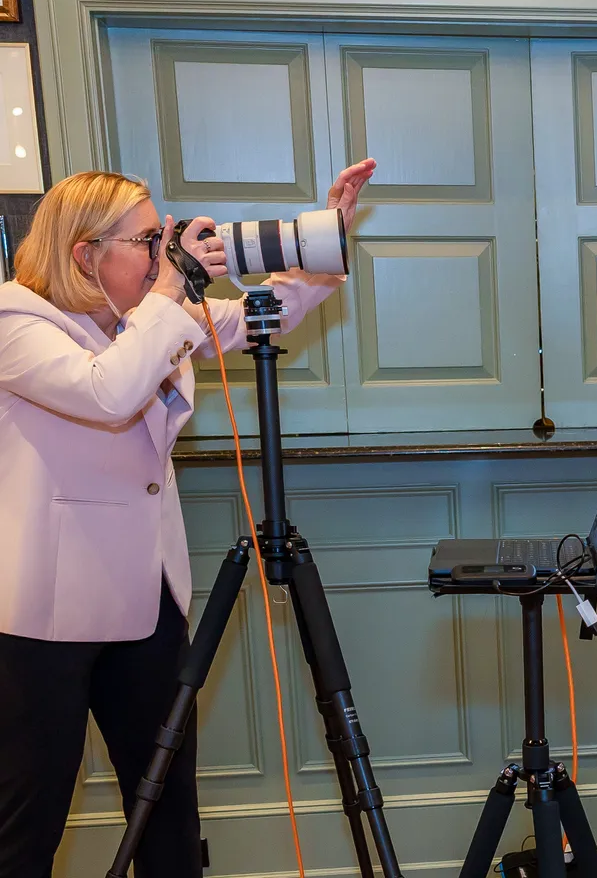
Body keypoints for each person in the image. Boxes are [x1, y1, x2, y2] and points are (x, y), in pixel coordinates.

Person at [0, 157, 376, 878]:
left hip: (148, 599)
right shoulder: (18, 319)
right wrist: (170, 293)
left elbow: (263, 313)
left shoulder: (142, 318)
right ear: (85, 252)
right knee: (28, 817)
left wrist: (327, 236)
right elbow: (106, 393)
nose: (162, 250)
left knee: (168, 808)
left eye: (161, 234)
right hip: (46, 620)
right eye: (146, 240)